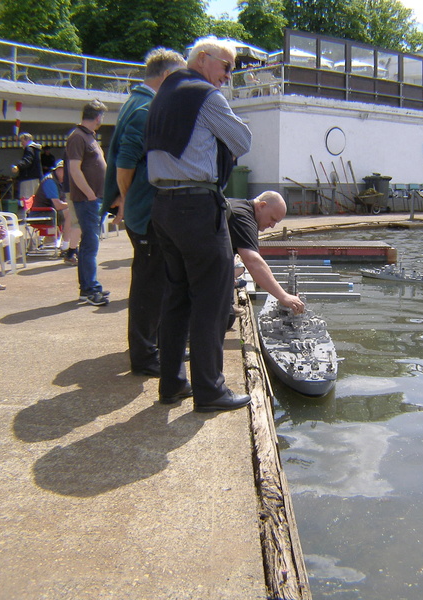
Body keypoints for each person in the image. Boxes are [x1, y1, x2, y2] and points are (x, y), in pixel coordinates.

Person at [146, 38, 251, 412]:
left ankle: (172, 383)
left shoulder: (163, 93)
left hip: (164, 207)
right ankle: (210, 390)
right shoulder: (206, 96)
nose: (228, 75)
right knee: (212, 299)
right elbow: (242, 139)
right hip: (196, 206)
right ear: (203, 60)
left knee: (176, 297)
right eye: (226, 66)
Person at [103, 47, 185, 377]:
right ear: (165, 76)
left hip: (144, 210)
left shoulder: (137, 102)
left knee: (156, 281)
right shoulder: (145, 108)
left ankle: (157, 345)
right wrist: (129, 199)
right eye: (178, 77)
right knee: (149, 285)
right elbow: (124, 164)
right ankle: (144, 356)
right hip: (146, 213)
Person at [227, 191, 305, 317]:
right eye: (272, 219)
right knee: (226, 319)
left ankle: (226, 306)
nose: (272, 226)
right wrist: (283, 296)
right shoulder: (244, 218)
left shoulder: (238, 206)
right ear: (261, 206)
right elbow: (253, 262)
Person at [66, 100, 108, 306]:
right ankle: (90, 289)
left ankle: (88, 287)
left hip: (93, 199)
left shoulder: (87, 136)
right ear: (98, 116)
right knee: (91, 245)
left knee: (89, 245)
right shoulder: (78, 137)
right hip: (87, 200)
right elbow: (75, 169)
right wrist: (90, 194)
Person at [31, 160, 80, 265]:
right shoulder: (50, 181)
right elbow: (58, 205)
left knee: (74, 212)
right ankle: (66, 247)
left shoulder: (61, 182)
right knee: (71, 213)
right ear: (59, 170)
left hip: (51, 212)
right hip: (41, 214)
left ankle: (72, 245)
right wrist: (73, 204)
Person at [11, 133, 42, 199]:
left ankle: (27, 210)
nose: (21, 144)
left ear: (27, 140)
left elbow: (27, 160)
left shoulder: (29, 148)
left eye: (22, 141)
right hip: (35, 178)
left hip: (28, 178)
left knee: (27, 199)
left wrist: (18, 166)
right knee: (34, 199)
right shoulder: (36, 149)